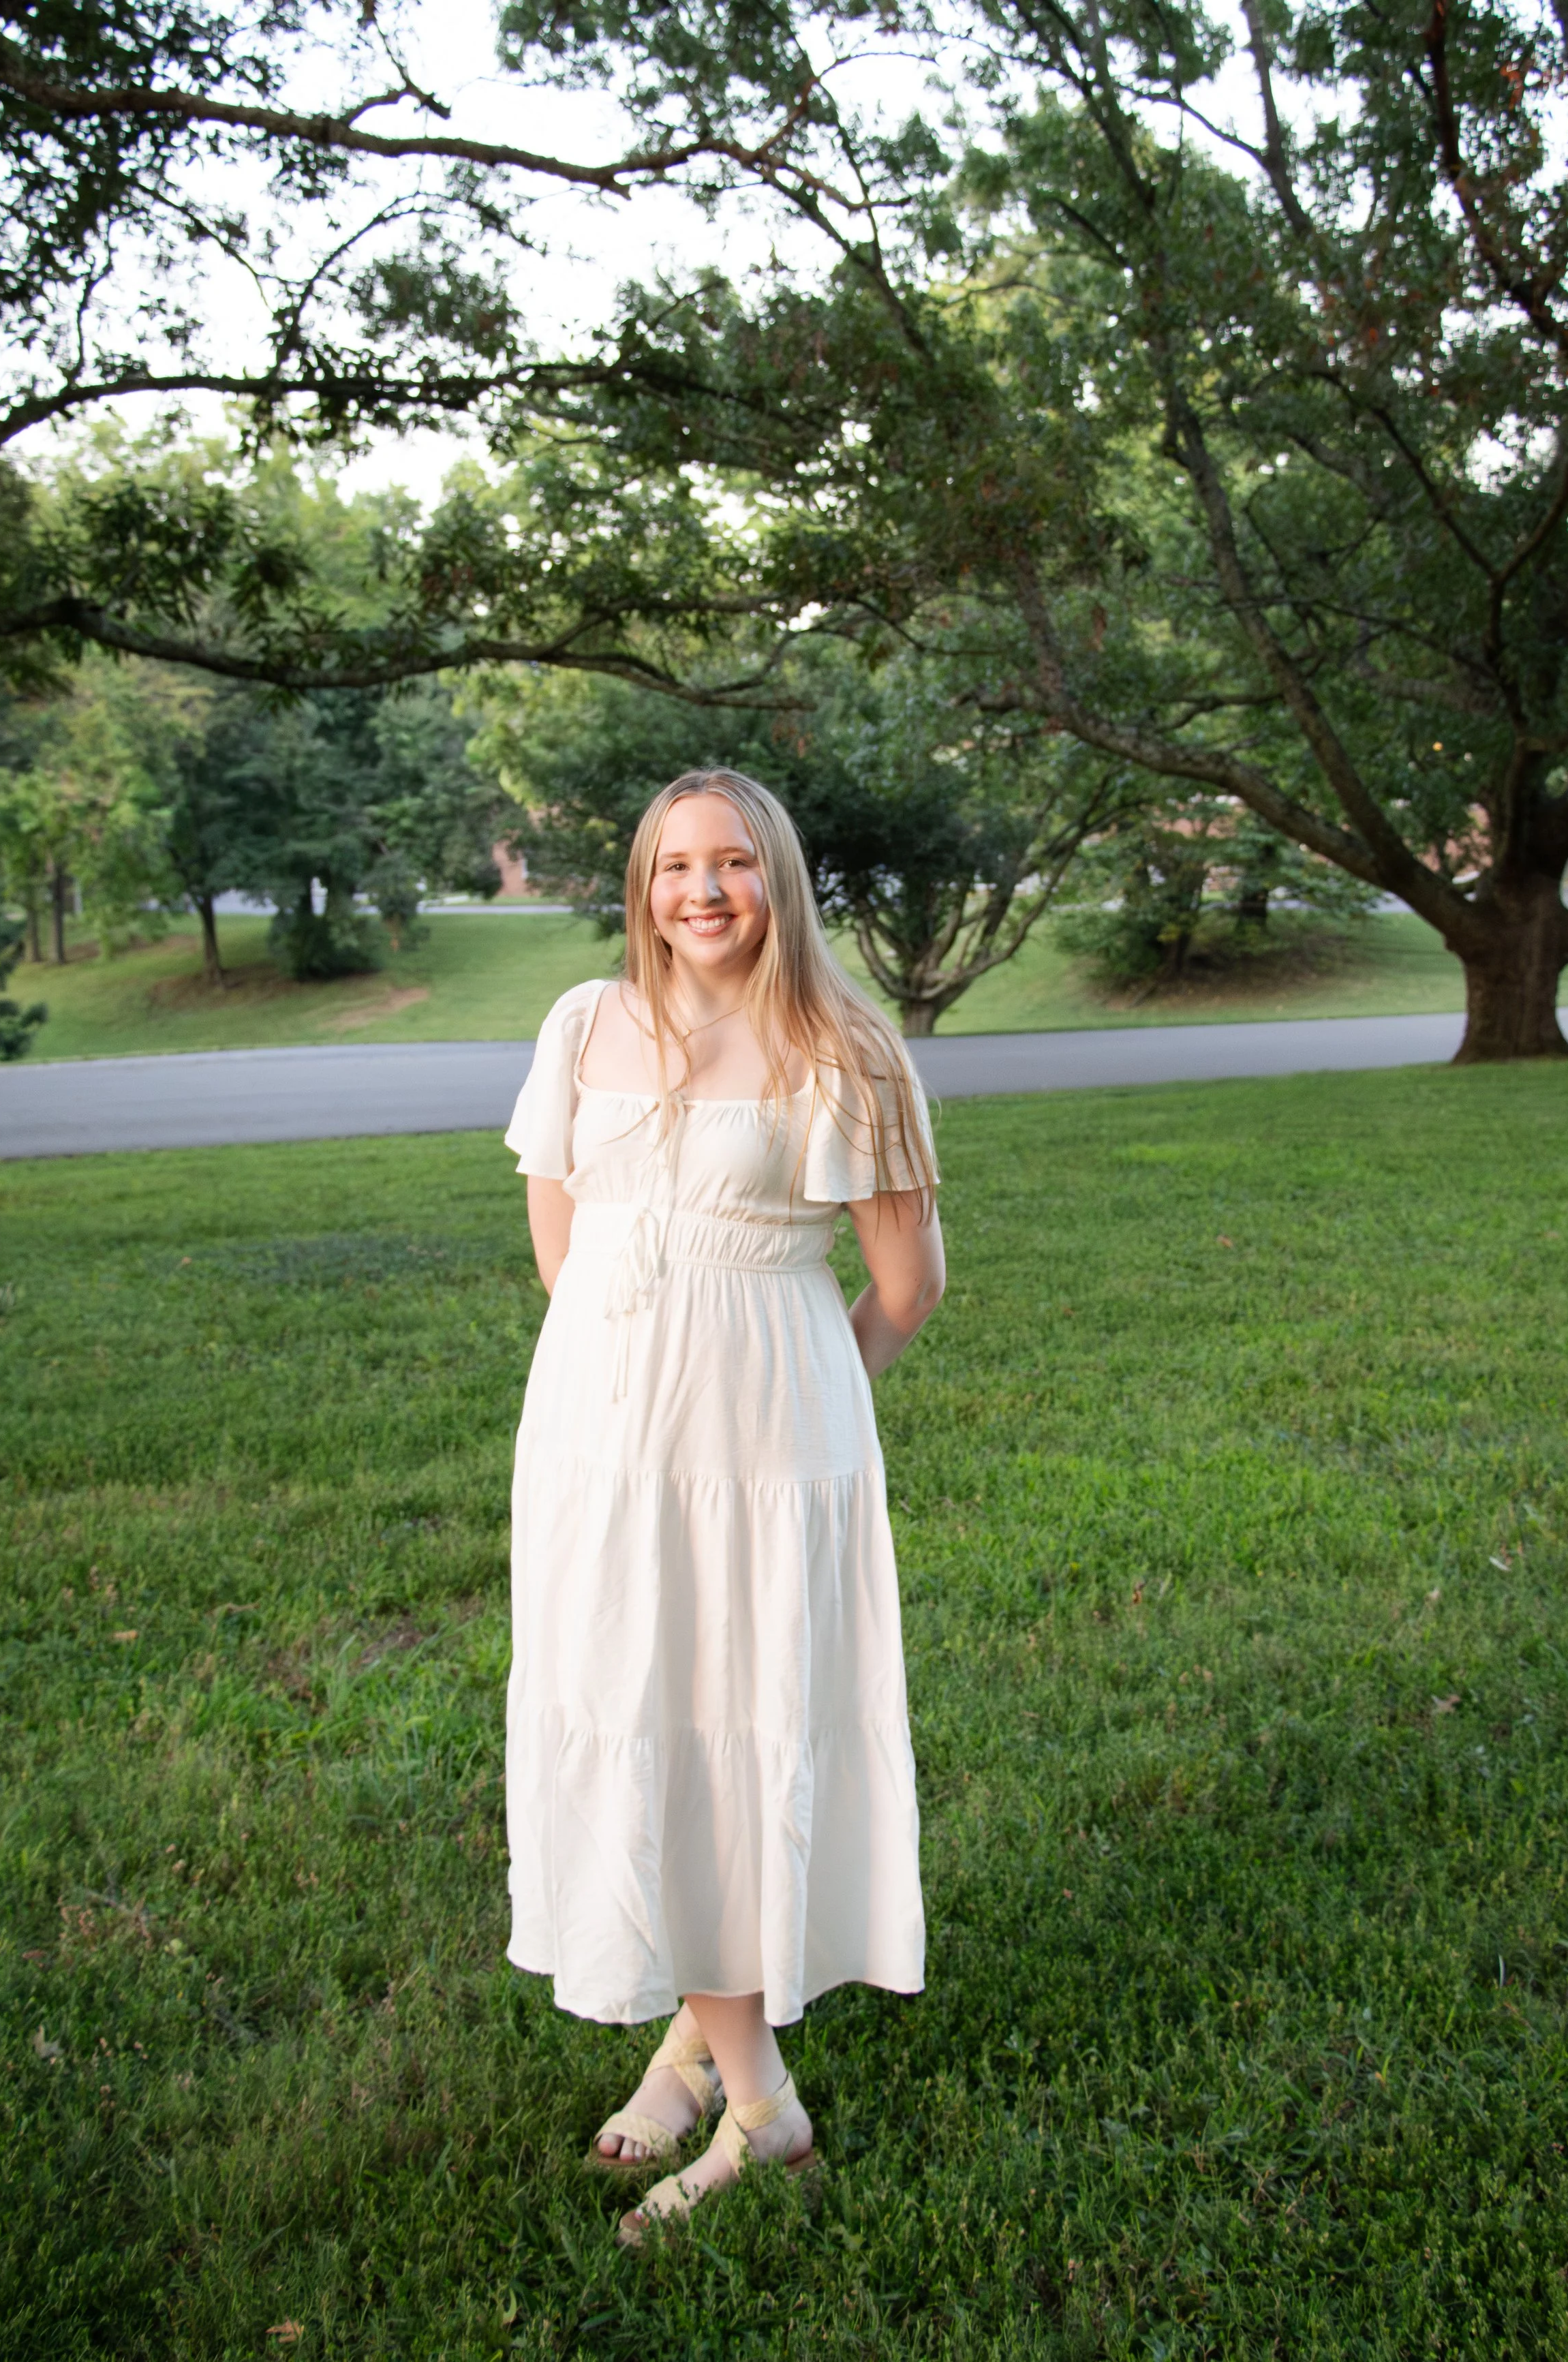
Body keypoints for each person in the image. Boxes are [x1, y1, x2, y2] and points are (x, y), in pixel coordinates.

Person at [502, 768, 945, 2243]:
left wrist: (798, 1394)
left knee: (726, 1729)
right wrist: (628, 1393)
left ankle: (762, 2115)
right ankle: (698, 2047)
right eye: (673, 864)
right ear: (640, 881)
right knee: (629, 1709)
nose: (700, 891)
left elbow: (903, 1288)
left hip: (766, 1435)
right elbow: (562, 1243)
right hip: (596, 1437)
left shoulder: (847, 1045)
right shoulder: (583, 1023)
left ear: (781, 880)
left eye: (733, 864)